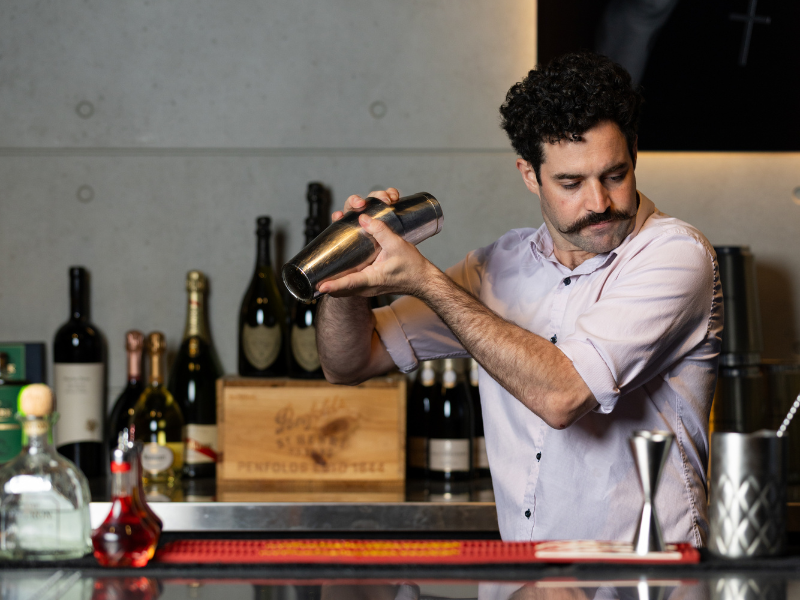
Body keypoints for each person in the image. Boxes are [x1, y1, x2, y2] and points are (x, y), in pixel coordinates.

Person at [315, 51, 723, 546]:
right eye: (570, 182)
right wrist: (343, 279)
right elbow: (349, 362)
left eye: (614, 175)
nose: (599, 203)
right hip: (527, 579)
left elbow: (563, 395)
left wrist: (424, 279)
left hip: (648, 578)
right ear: (529, 174)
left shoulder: (675, 254)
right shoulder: (496, 267)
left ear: (635, 153)